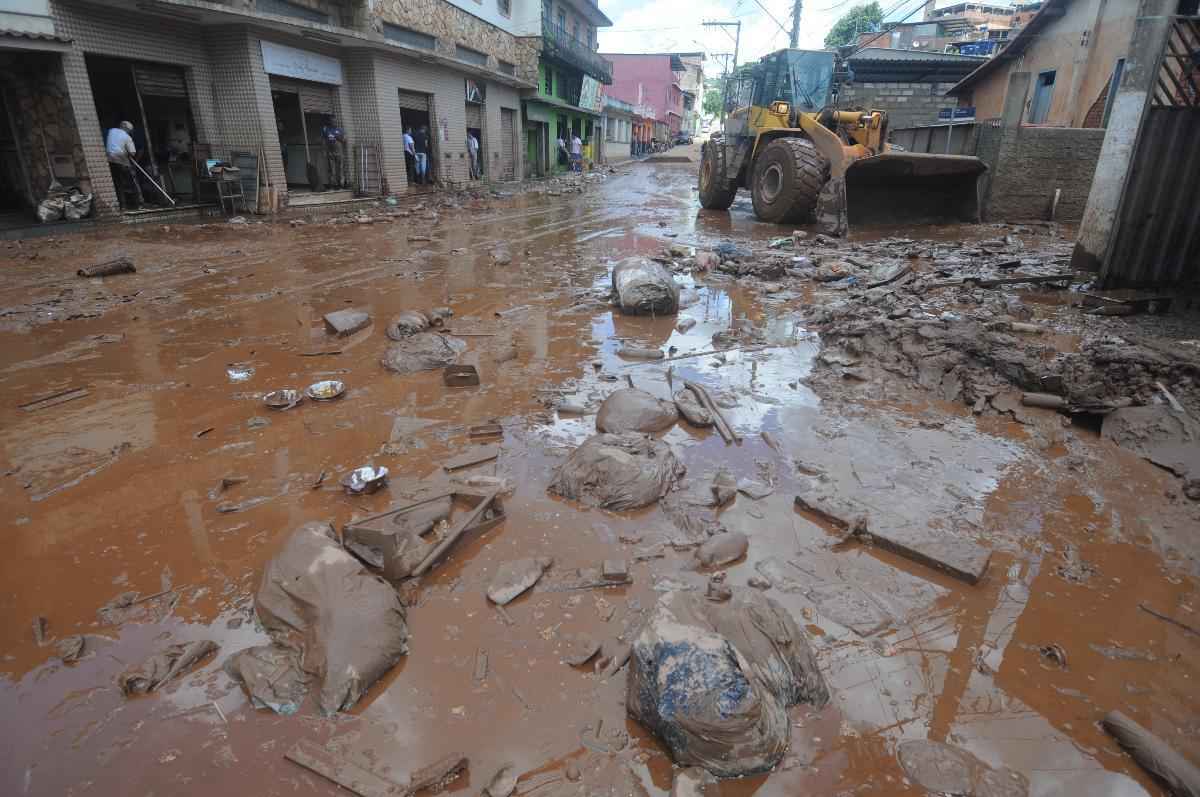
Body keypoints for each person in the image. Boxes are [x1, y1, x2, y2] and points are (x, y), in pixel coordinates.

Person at [106, 121, 143, 210]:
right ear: (128, 129)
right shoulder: (127, 137)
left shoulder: (111, 131)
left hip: (109, 160)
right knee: (132, 182)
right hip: (121, 160)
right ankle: (138, 204)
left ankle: (123, 206)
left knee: (118, 183)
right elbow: (132, 152)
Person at [321, 117, 345, 189]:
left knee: (340, 168)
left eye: (335, 121)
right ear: (330, 122)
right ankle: (334, 185)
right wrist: (324, 151)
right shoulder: (326, 129)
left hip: (339, 153)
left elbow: (344, 140)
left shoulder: (340, 130)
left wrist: (338, 137)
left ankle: (342, 184)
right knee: (332, 169)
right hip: (330, 153)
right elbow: (323, 141)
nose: (333, 122)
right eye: (332, 121)